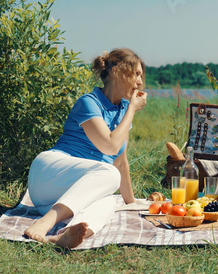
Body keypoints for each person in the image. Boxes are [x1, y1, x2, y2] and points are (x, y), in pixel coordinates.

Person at [24, 48, 147, 248]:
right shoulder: (89, 103)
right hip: (48, 173)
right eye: (136, 74)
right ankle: (45, 223)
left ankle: (62, 235)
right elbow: (109, 146)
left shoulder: (122, 111)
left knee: (109, 201)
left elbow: (119, 160)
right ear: (116, 72)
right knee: (109, 174)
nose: (140, 82)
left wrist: (131, 203)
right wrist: (132, 110)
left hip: (61, 196)